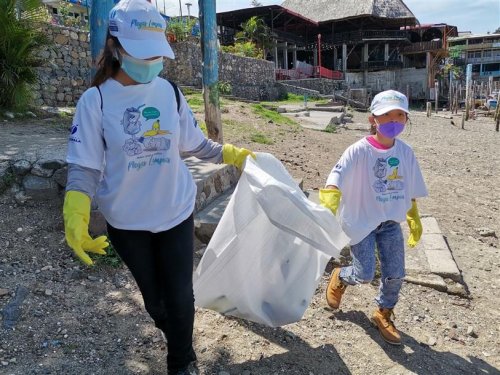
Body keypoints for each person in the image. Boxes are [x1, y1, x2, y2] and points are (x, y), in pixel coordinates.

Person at [62, 0, 253, 374]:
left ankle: (181, 361)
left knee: (181, 297)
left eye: (155, 54)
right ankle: (177, 335)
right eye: (141, 53)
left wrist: (232, 154)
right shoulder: (96, 101)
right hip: (127, 222)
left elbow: (195, 145)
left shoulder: (169, 92)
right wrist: (76, 210)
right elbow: (84, 166)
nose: (151, 62)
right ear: (116, 46)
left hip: (175, 211)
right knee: (155, 303)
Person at [319, 90, 427, 345]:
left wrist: (413, 216)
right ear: (373, 119)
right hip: (363, 221)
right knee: (364, 273)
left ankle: (382, 312)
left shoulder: (406, 152)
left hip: (389, 222)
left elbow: (409, 187)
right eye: (386, 114)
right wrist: (330, 199)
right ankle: (340, 276)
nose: (394, 120)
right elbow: (337, 175)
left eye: (400, 115)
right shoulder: (358, 150)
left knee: (396, 273)